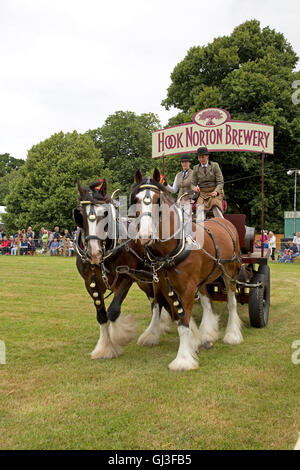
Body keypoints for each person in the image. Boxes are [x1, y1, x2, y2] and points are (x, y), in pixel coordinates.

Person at [191, 147, 224, 218]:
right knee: (199, 209)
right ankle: (200, 227)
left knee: (215, 207)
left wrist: (216, 191)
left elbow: (220, 182)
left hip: (214, 192)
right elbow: (192, 184)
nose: (201, 159)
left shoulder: (215, 165)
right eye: (199, 157)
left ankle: (223, 222)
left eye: (203, 157)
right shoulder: (195, 168)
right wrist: (194, 188)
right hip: (202, 194)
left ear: (207, 156)